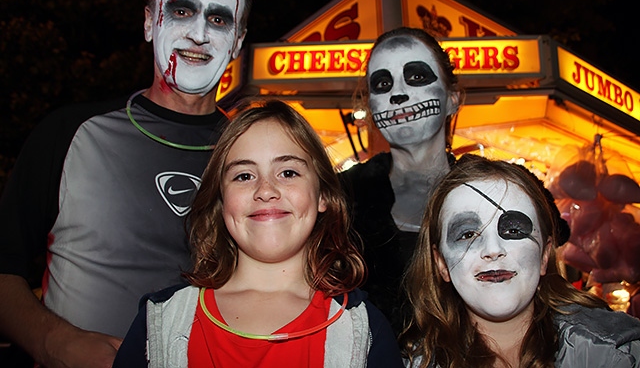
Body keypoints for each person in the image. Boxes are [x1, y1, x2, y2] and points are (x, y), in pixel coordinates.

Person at [0, 0, 252, 368]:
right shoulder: (72, 134)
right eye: (182, 11)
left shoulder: (251, 154)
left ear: (238, 42)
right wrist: (53, 343)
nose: (199, 34)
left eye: (219, 18)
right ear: (150, 22)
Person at [112, 99, 404, 367]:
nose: (265, 190)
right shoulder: (159, 323)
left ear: (323, 195)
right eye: (244, 176)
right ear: (220, 200)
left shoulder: (364, 332)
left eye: (288, 172)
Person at [402, 154, 640, 367]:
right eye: (467, 234)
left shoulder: (615, 355)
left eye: (514, 230)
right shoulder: (417, 363)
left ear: (545, 255)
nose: (493, 250)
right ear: (441, 263)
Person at [339, 26, 461, 333]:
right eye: (382, 83)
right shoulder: (335, 201)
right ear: (371, 105)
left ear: (453, 99)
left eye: (417, 77)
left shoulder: (494, 194)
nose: (398, 94)